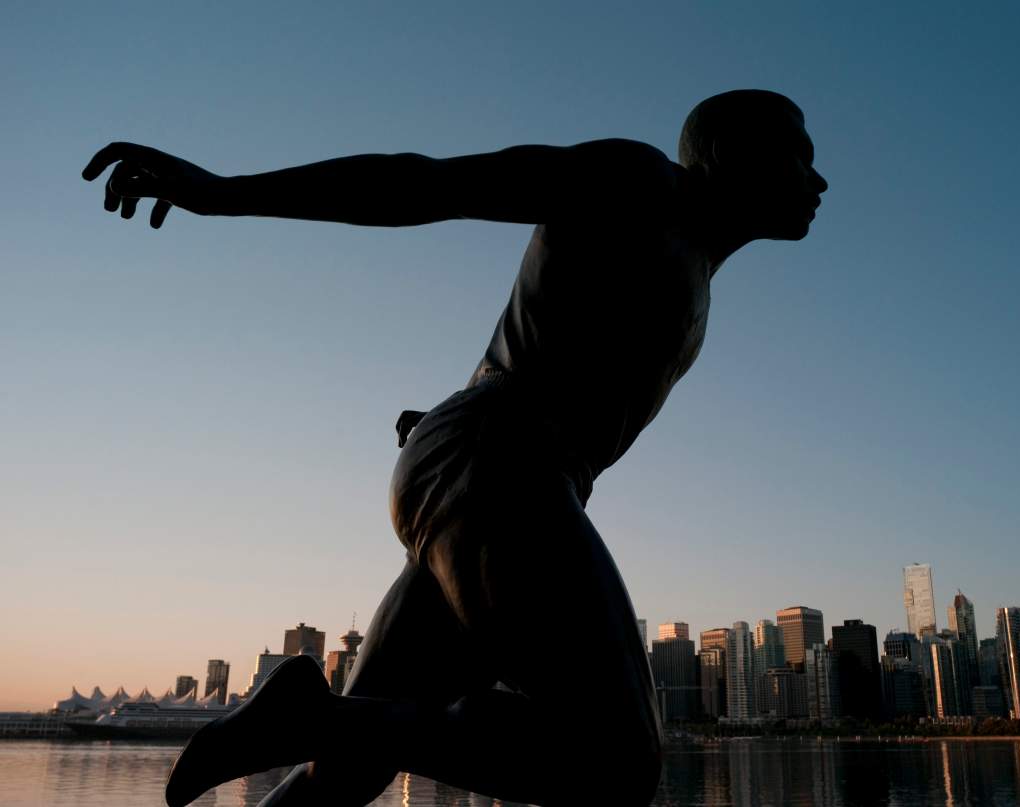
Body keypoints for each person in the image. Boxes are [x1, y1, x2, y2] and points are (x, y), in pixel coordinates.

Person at [82, 89, 828, 807]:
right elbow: (426, 183)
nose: (818, 178)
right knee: (616, 757)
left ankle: (317, 722)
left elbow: (543, 352)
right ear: (732, 154)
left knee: (345, 773)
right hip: (496, 460)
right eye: (801, 154)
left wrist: (463, 419)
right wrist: (221, 192)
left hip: (489, 466)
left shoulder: (695, 271)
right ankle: (311, 716)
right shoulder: (635, 181)